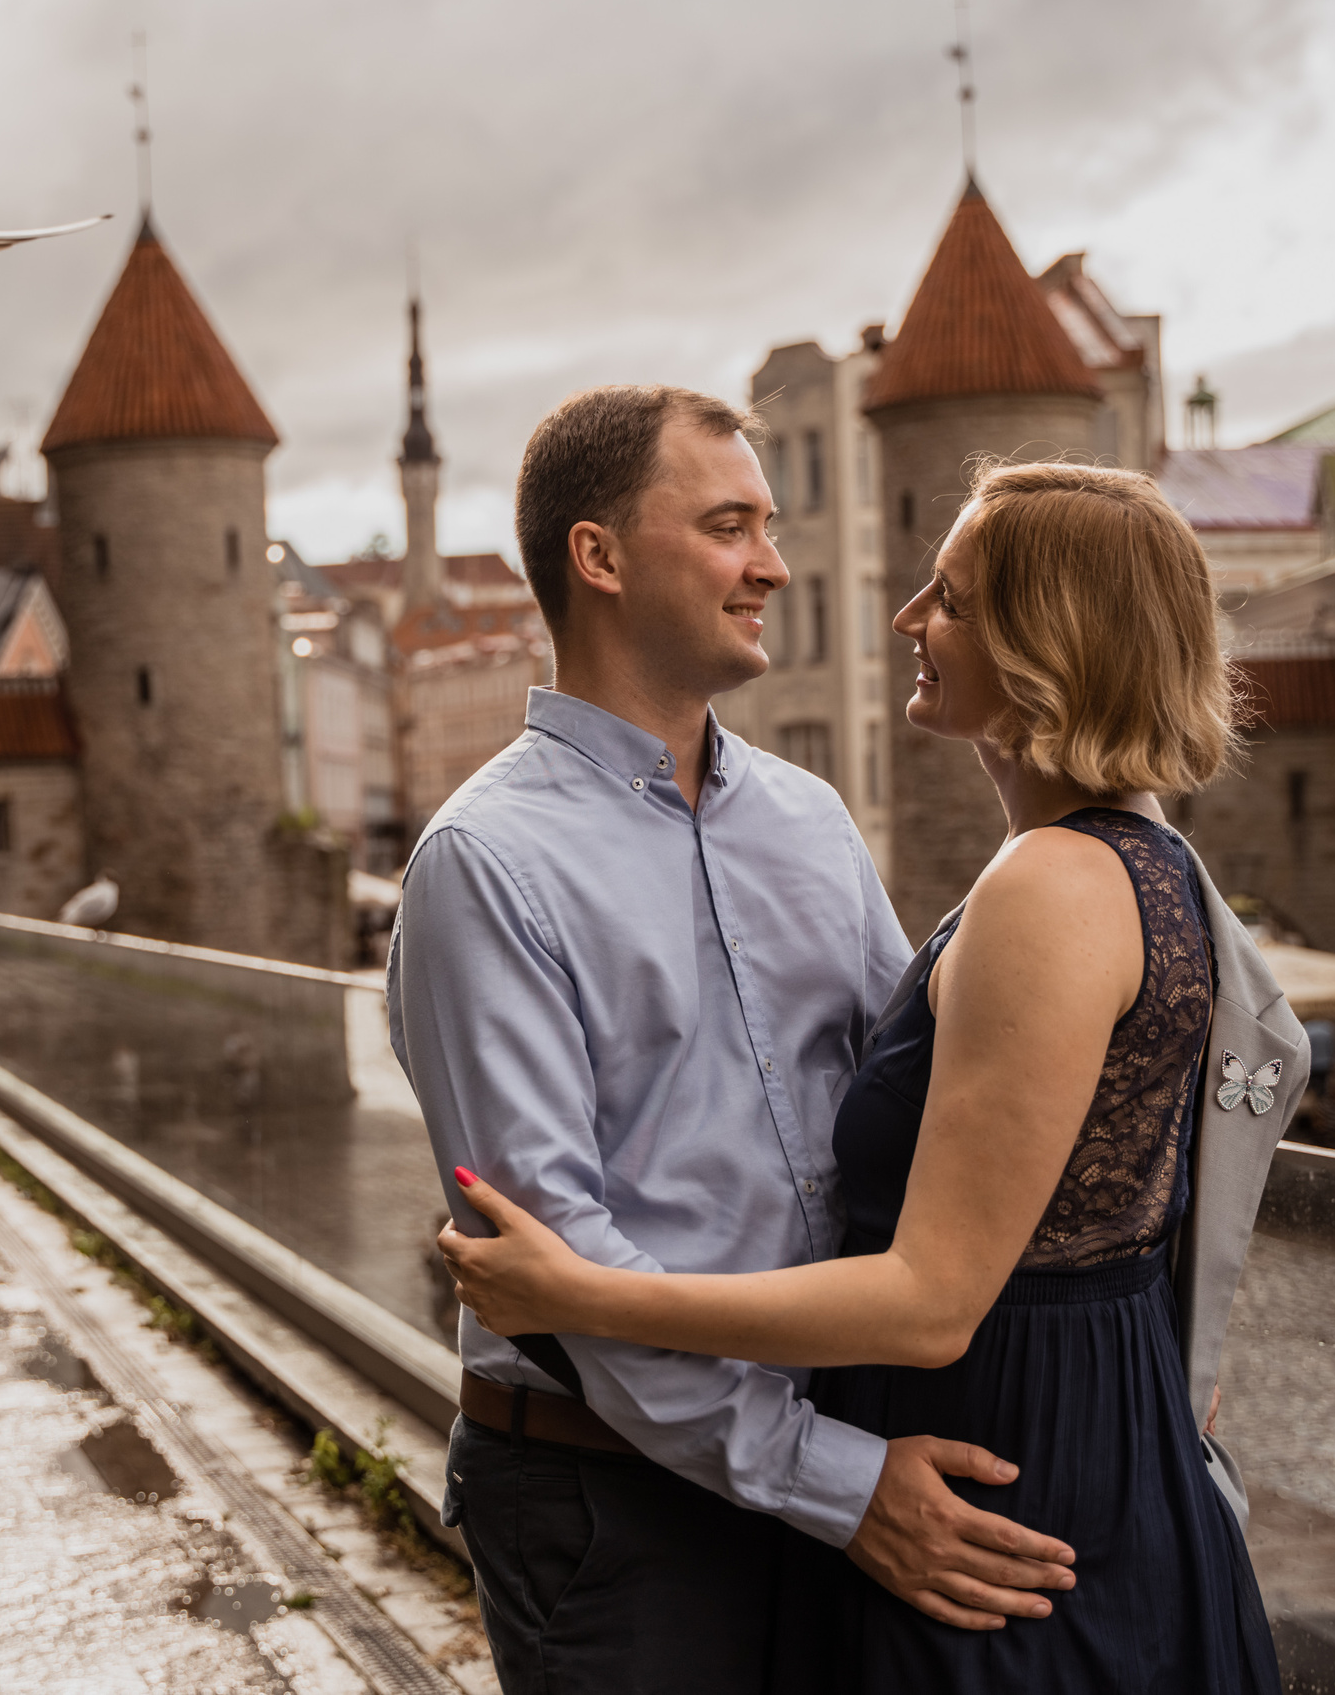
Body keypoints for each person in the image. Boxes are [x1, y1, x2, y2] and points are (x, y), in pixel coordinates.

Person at [441, 463, 1285, 1691]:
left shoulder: (1036, 884)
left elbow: (933, 1288)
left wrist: (576, 1292)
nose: (906, 620)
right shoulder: (1144, 870)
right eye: (729, 526)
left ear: (1043, 639)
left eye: (948, 596)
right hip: (921, 1450)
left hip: (990, 1456)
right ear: (598, 559)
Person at [389, 388, 1080, 1695]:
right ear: (598, 558)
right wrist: (841, 1481)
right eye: (727, 525)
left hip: (826, 1456)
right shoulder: (483, 863)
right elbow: (552, 1262)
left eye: (766, 524)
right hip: (613, 1500)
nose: (771, 561)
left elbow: (923, 1111)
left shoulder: (811, 822)